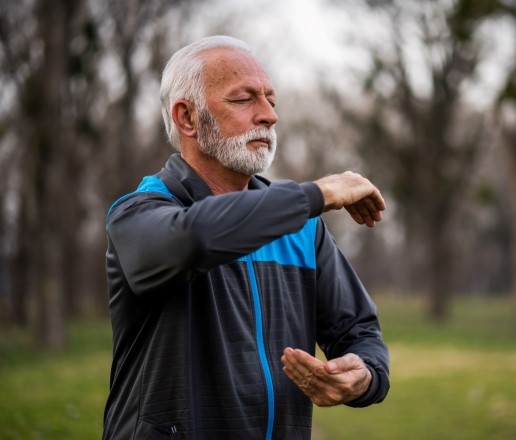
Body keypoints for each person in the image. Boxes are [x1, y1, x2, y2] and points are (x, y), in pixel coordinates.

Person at [102, 35, 390, 439]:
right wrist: (317, 194)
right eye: (244, 99)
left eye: (272, 100)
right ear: (187, 117)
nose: (269, 115)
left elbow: (359, 331)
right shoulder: (138, 214)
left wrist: (363, 375)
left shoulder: (303, 226)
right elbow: (195, 238)